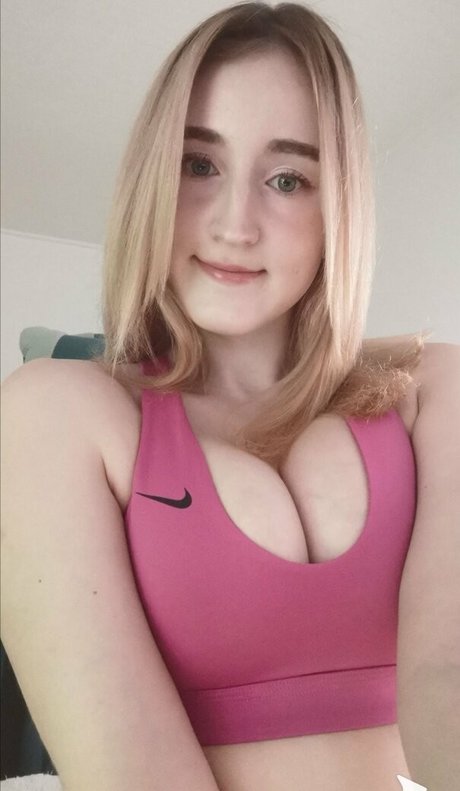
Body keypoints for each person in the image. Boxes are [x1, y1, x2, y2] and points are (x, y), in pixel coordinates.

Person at [2, 3, 459, 790]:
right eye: (199, 164)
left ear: (338, 207)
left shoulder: (434, 388)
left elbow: (447, 680)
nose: (234, 224)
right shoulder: (55, 412)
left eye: (287, 179)